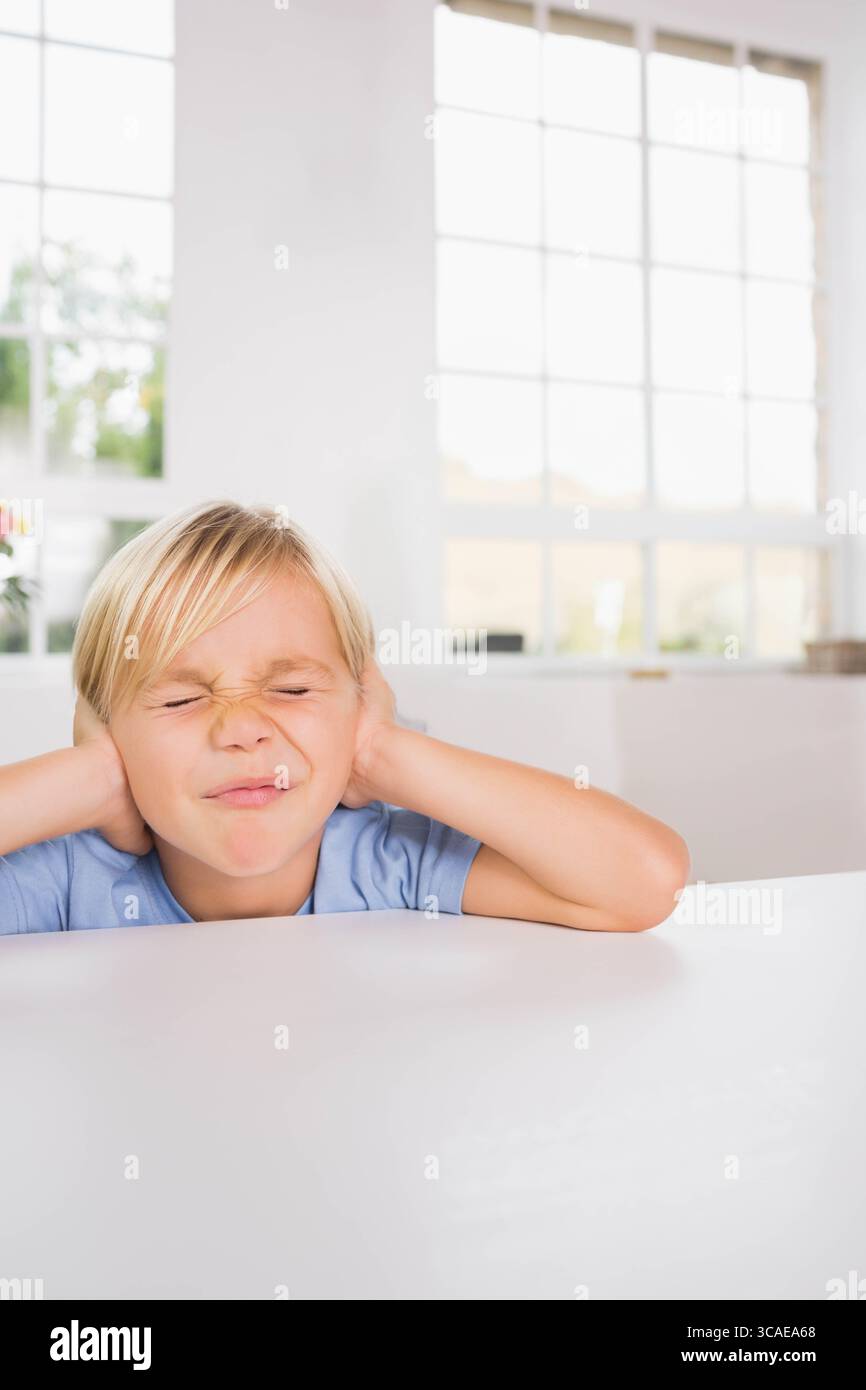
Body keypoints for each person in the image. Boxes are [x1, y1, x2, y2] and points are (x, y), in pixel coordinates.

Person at [0, 499, 690, 933]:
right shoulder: (69, 883)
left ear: (359, 707)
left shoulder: (383, 864)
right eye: (181, 699)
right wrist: (90, 782)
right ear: (106, 732)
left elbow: (644, 879)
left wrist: (382, 755)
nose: (241, 729)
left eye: (292, 691)